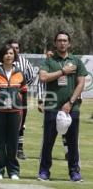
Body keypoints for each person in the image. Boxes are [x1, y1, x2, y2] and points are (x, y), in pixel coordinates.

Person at [38, 31, 88, 182]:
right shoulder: (49, 60)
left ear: (69, 43)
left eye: (65, 40)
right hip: (52, 107)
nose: (62, 43)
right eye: (59, 40)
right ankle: (44, 171)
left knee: (72, 143)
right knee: (48, 142)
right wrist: (62, 72)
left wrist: (71, 102)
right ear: (55, 43)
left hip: (71, 108)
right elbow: (43, 77)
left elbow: (81, 83)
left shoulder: (76, 61)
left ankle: (74, 172)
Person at [0, 39, 34, 159]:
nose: (10, 54)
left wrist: (16, 91)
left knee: (20, 126)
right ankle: (0, 166)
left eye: (15, 50)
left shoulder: (24, 63)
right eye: (7, 51)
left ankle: (20, 149)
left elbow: (30, 77)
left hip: (17, 104)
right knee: (0, 136)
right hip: (0, 108)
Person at [0, 44, 27, 180]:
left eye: (11, 53)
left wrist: (20, 104)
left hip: (16, 112)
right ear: (2, 56)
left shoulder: (20, 73)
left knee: (13, 142)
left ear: (14, 56)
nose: (9, 55)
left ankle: (14, 171)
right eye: (6, 53)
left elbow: (24, 92)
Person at [37, 48, 69, 160]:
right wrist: (40, 101)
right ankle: (43, 153)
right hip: (50, 103)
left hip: (63, 102)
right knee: (48, 130)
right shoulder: (44, 68)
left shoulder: (63, 65)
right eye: (48, 54)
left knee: (65, 128)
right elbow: (40, 85)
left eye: (52, 54)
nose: (50, 55)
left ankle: (68, 152)